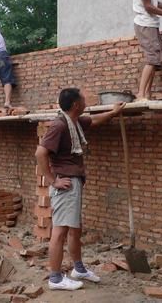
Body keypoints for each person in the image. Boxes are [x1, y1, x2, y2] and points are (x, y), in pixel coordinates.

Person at [35, 88, 124, 291]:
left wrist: (113, 112)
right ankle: (56, 279)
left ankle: (79, 269)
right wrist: (52, 180)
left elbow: (94, 120)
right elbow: (40, 153)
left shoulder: (74, 122)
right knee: (59, 232)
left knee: (75, 229)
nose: (86, 100)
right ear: (76, 104)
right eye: (83, 98)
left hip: (74, 182)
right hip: (65, 184)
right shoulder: (59, 125)